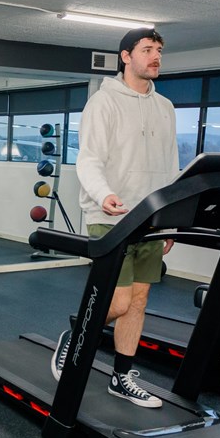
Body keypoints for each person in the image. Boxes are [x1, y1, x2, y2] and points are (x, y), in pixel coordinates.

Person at [52, 28, 178, 409]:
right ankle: (75, 335)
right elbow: (88, 158)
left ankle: (122, 377)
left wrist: (171, 217)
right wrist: (103, 193)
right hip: (111, 214)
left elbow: (169, 164)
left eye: (159, 50)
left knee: (139, 301)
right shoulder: (103, 103)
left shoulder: (166, 107)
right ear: (126, 56)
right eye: (147, 50)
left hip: (151, 217)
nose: (155, 56)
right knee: (119, 302)